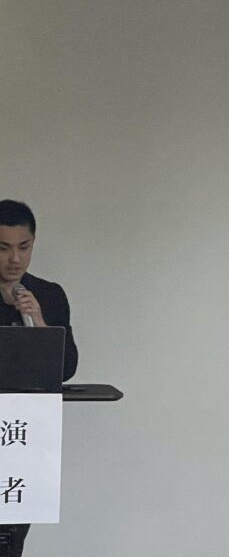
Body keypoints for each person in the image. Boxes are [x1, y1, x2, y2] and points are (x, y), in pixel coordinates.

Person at [0, 200, 78, 557]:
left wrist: (39, 322)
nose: (15, 259)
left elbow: (67, 367)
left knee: (13, 534)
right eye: (3, 248)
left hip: (27, 434)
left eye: (24, 247)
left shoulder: (48, 294)